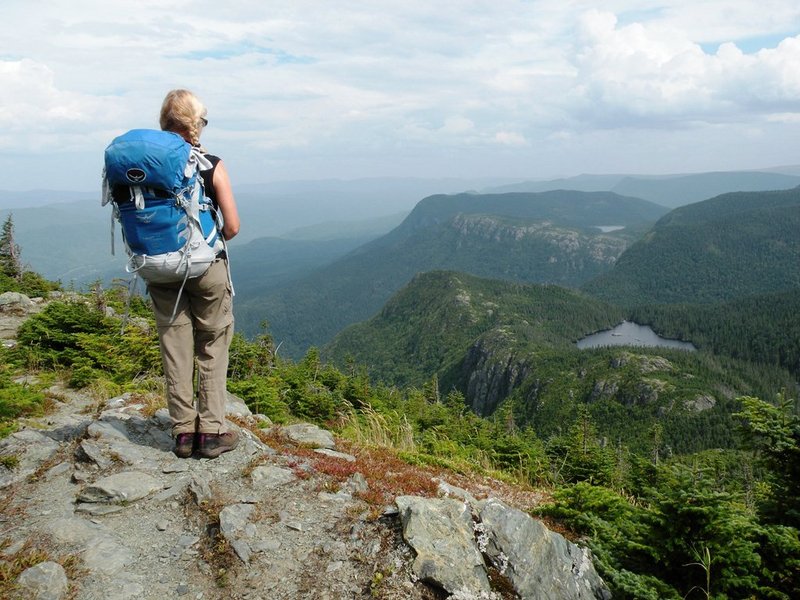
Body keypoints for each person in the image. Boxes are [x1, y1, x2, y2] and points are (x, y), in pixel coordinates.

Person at [148, 89, 241, 459]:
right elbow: (232, 226)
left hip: (158, 268)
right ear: (195, 123)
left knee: (175, 344)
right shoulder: (209, 163)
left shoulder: (146, 166)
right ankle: (212, 431)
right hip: (205, 267)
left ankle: (184, 433)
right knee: (213, 342)